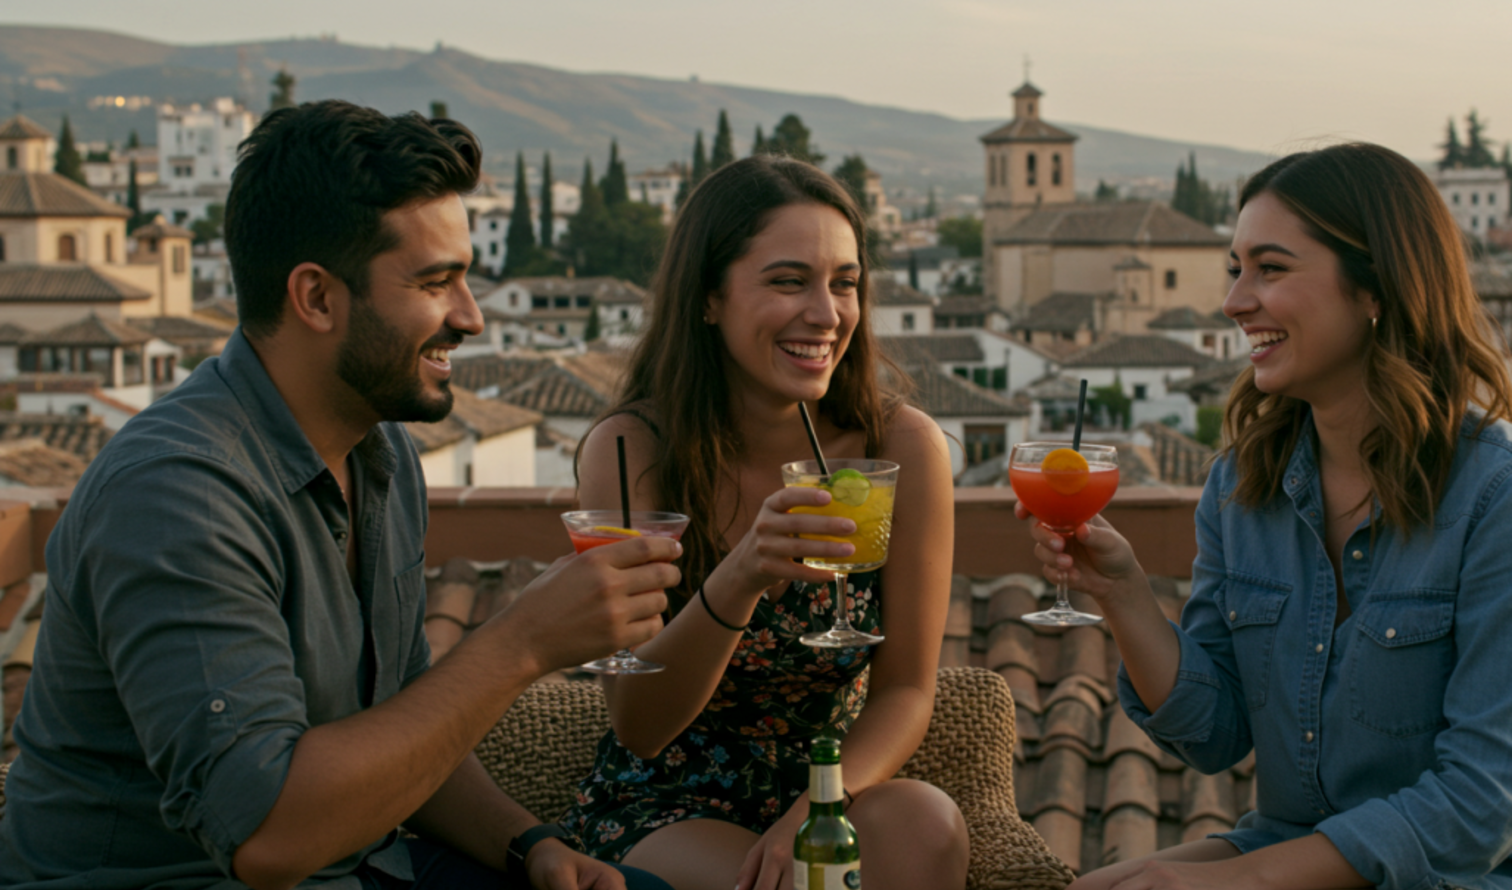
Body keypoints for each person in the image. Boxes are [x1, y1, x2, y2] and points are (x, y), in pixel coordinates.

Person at [0, 101, 678, 890]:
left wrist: (528, 845)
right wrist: (521, 642)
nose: (471, 316)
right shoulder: (178, 494)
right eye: (435, 282)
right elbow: (269, 837)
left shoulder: (379, 451)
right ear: (317, 298)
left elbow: (402, 728)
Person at [1021, 142, 1512, 890]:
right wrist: (1121, 593)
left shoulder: (1493, 495)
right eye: (1235, 268)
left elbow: (1478, 808)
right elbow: (1214, 735)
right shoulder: (1242, 486)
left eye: (1271, 269)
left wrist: (1229, 884)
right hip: (1284, 849)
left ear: (1377, 287)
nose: (1234, 301)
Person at [556, 155, 969, 890]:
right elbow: (640, 725)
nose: (826, 313)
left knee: (927, 825)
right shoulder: (632, 453)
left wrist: (819, 809)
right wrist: (741, 573)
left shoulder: (900, 448)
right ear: (709, 297)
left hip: (830, 784)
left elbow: (907, 690)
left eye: (845, 283)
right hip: (670, 802)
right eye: (788, 281)